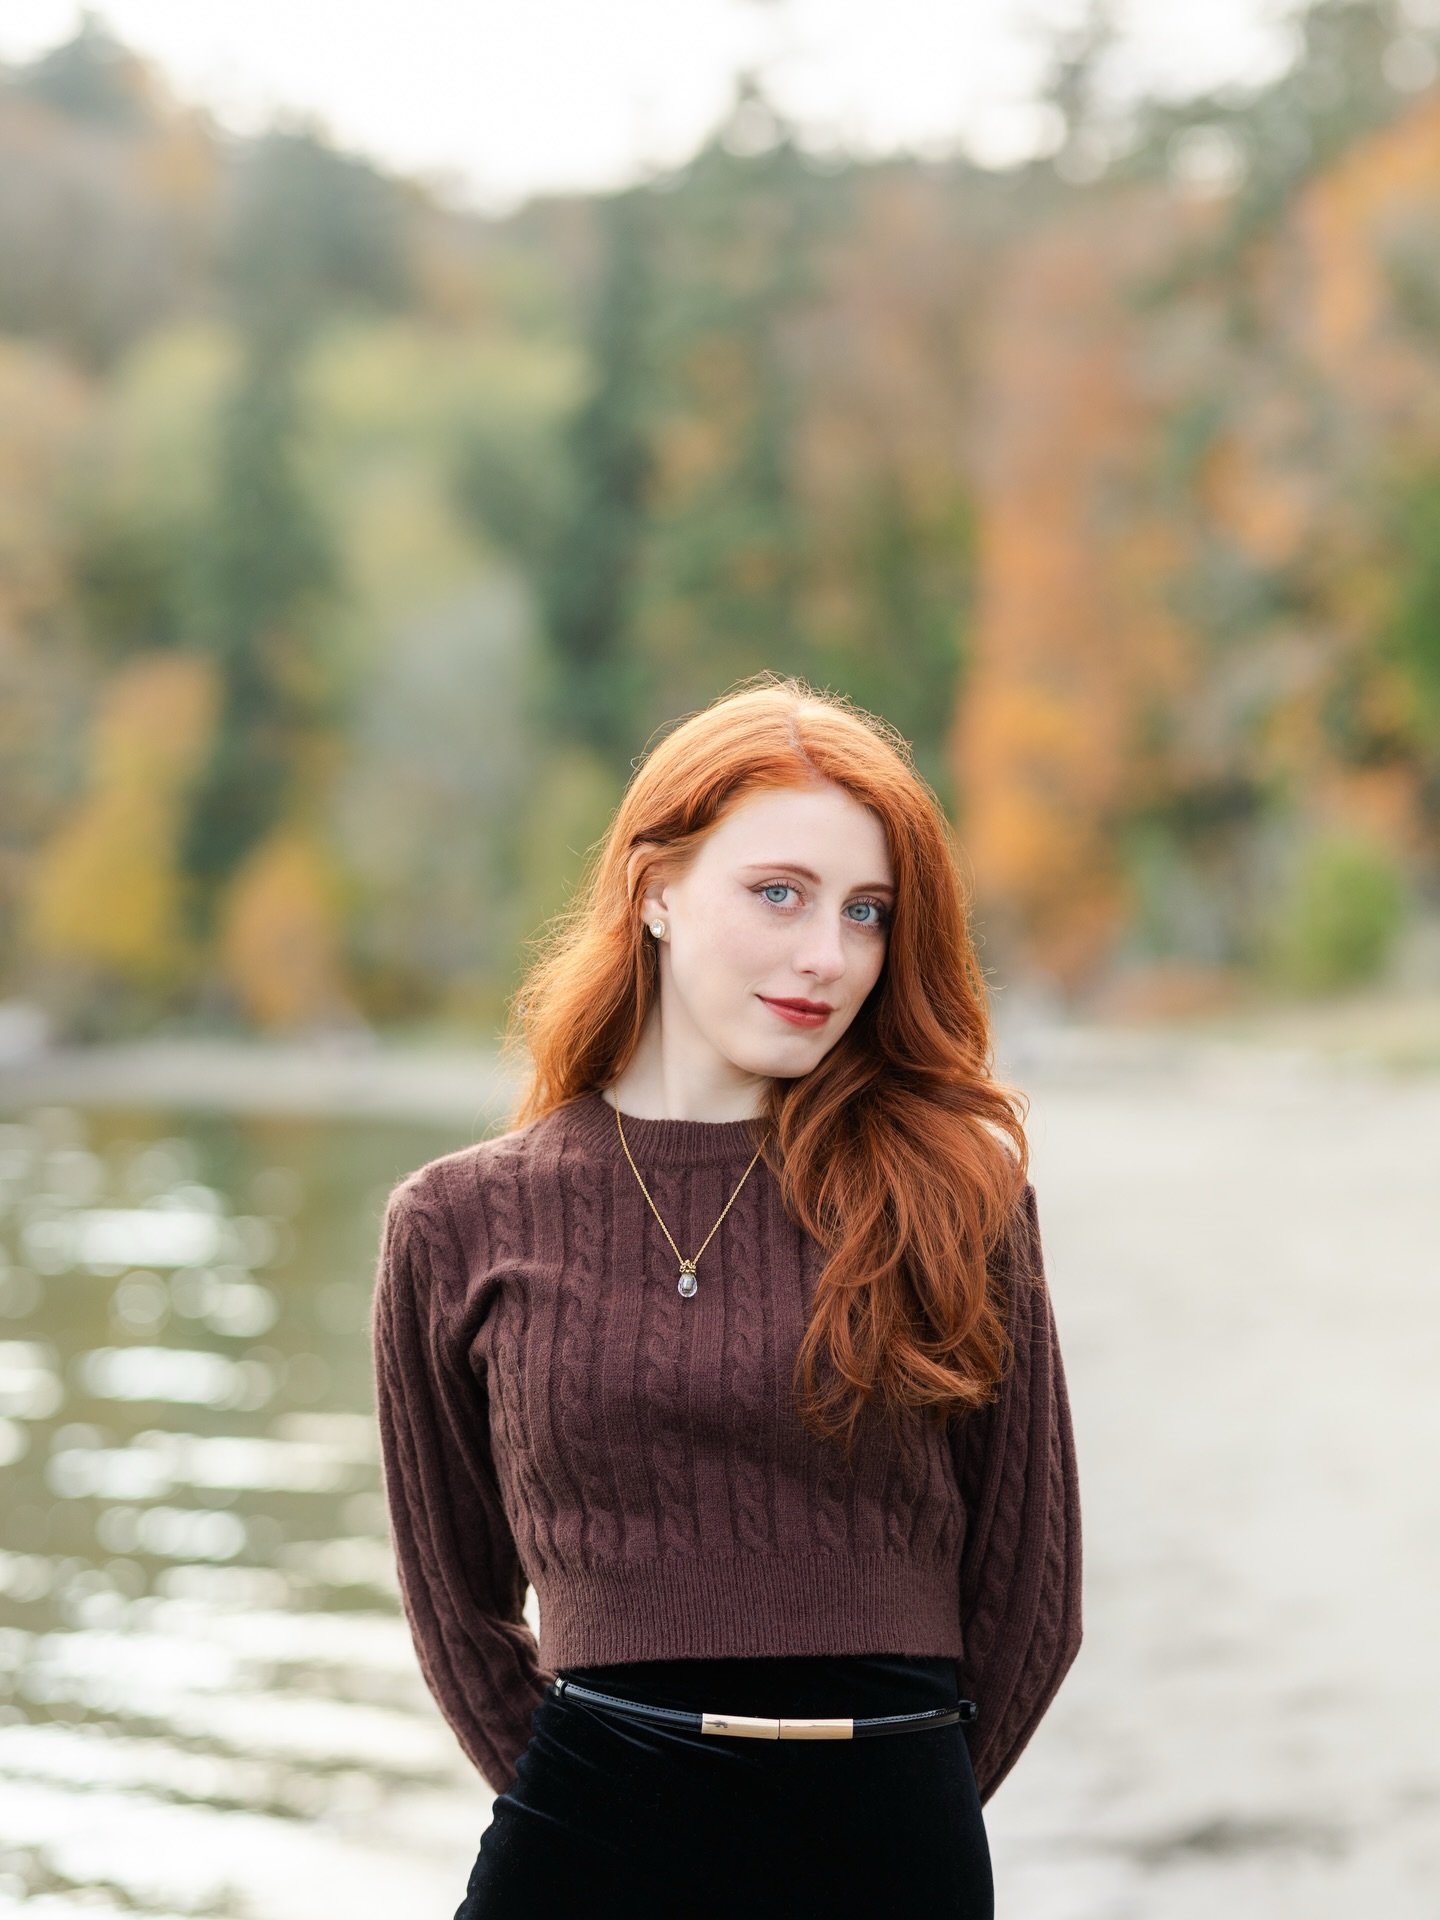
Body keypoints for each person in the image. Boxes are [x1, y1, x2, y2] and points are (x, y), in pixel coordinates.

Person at [370, 673, 1084, 1918]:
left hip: (888, 1841)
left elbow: (1033, 1596)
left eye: (868, 912)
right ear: (655, 890)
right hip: (588, 1837)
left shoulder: (957, 1200)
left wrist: (902, 1803)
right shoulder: (455, 1222)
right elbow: (455, 1602)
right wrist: (591, 1785)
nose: (829, 953)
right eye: (780, 894)